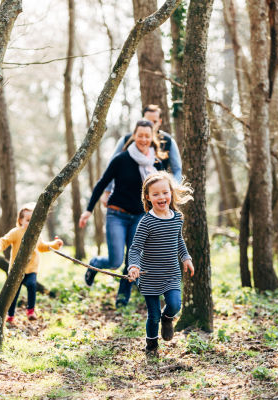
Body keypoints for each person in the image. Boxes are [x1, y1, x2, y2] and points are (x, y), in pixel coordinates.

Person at [79, 119, 167, 307]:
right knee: (115, 261)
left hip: (140, 217)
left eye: (147, 135)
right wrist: (88, 210)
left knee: (132, 260)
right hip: (117, 215)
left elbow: (163, 192)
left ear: (152, 137)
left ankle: (122, 296)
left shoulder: (156, 163)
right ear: (134, 136)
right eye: (140, 135)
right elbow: (102, 183)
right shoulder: (121, 159)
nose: (143, 139)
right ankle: (95, 263)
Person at [127, 171, 195, 356]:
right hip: (149, 275)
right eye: (155, 194)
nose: (161, 197)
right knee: (153, 315)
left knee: (174, 305)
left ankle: (168, 319)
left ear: (171, 193)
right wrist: (134, 266)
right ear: (147, 197)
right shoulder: (146, 222)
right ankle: (151, 345)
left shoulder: (176, 218)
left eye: (165, 192)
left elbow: (178, 240)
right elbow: (135, 248)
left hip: (171, 272)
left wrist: (186, 258)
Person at [0, 202, 63, 324]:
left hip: (31, 268)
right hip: (16, 270)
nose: (31, 223)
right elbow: (5, 240)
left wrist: (55, 245)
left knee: (32, 285)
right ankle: (10, 315)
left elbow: (42, 246)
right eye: (28, 220)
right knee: (13, 294)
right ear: (21, 220)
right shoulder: (16, 232)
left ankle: (30, 311)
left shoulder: (36, 234)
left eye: (33, 220)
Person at [101, 104, 182, 207]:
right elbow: (112, 165)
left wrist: (173, 190)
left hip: (156, 197)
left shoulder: (168, 141)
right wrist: (107, 191)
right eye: (148, 121)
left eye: (154, 122)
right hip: (129, 196)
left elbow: (177, 169)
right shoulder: (127, 139)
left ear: (160, 122)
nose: (151, 125)